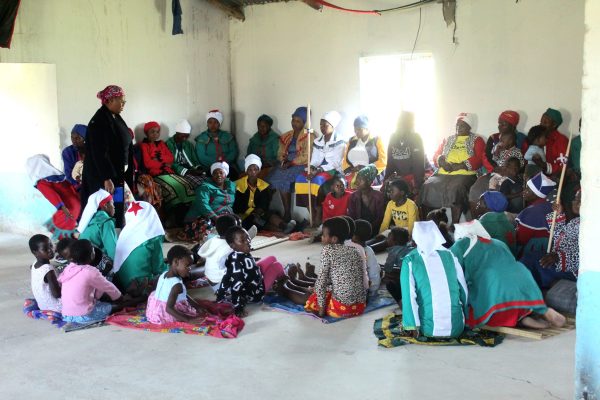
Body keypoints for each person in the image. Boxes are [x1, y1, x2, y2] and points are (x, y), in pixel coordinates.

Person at [451, 221, 566, 329]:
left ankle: (516, 319)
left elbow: (450, 270)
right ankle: (527, 315)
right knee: (516, 296)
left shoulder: (460, 245)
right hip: (521, 275)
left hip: (492, 280)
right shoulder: (498, 243)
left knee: (473, 305)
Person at [420, 113, 492, 224]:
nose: (458, 127)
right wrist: (441, 161)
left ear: (469, 126)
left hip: (465, 173)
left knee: (457, 188)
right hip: (443, 172)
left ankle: (454, 224)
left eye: (462, 125)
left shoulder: (477, 140)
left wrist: (461, 165)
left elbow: (479, 159)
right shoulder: (448, 139)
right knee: (427, 186)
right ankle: (429, 222)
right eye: (457, 125)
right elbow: (436, 154)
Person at [400, 221, 468, 338]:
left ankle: (413, 325)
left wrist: (412, 326)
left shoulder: (410, 260)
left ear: (415, 238)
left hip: (429, 329)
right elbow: (463, 289)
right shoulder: (450, 255)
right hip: (457, 327)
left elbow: (409, 297)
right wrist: (465, 313)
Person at [82, 85, 133, 228]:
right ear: (110, 100)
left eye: (124, 101)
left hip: (117, 175)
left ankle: (116, 231)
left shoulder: (114, 116)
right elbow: (99, 152)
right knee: (106, 208)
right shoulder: (99, 121)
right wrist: (106, 178)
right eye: (121, 101)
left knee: (117, 205)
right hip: (104, 178)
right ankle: (103, 236)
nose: (123, 104)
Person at [304, 217, 367, 318]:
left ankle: (288, 288)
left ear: (334, 239)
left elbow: (321, 283)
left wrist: (321, 311)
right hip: (360, 307)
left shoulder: (328, 250)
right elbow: (343, 279)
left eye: (324, 235)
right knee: (325, 288)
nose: (321, 237)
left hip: (342, 309)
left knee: (312, 298)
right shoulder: (355, 250)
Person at [295, 111, 346, 226]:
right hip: (319, 168)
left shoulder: (340, 141)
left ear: (332, 126)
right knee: (300, 179)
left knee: (317, 180)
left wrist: (318, 170)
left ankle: (319, 212)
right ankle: (311, 212)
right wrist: (312, 168)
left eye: (325, 125)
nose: (322, 128)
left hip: (333, 170)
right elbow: (315, 159)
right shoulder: (318, 141)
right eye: (321, 125)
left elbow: (335, 162)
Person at [140, 120, 200, 217]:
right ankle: (177, 215)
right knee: (173, 189)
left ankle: (186, 213)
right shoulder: (144, 145)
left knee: (186, 185)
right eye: (152, 132)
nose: (155, 134)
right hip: (156, 173)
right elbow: (148, 163)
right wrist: (163, 164)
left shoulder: (161, 143)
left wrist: (157, 159)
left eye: (157, 131)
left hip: (169, 172)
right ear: (147, 133)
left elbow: (171, 158)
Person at [58, 239, 124, 323]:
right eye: (93, 249)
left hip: (66, 315)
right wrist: (120, 297)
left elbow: (98, 290)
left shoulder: (68, 269)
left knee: (100, 300)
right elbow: (109, 287)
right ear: (92, 255)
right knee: (116, 306)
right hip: (84, 316)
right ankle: (138, 299)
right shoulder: (91, 271)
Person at [267, 106, 312, 222]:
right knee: (270, 178)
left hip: (300, 164)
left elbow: (307, 156)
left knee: (283, 178)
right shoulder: (286, 135)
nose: (294, 123)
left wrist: (291, 162)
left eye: (298, 121)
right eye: (293, 120)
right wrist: (283, 160)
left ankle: (287, 213)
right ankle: (266, 211)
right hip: (287, 163)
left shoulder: (309, 135)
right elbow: (280, 152)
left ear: (304, 122)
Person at [113, 201, 167, 294]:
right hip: (141, 285)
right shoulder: (153, 236)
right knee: (174, 274)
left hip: (122, 282)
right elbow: (158, 268)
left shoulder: (124, 233)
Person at [146, 246, 210, 323]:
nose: (190, 269)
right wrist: (188, 319)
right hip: (165, 314)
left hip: (154, 310)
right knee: (198, 317)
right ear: (176, 262)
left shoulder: (164, 274)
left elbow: (183, 295)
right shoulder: (177, 285)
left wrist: (197, 306)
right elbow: (168, 308)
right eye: (187, 265)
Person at [234, 154, 296, 233]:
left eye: (255, 169)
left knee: (269, 215)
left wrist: (260, 210)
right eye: (250, 170)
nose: (253, 172)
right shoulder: (238, 185)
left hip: (258, 213)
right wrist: (252, 212)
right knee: (257, 221)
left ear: (259, 170)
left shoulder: (263, 185)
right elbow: (237, 205)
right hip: (243, 215)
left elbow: (264, 202)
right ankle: (281, 230)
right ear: (246, 171)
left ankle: (284, 226)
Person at [26, 154, 81, 240]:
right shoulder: (59, 176)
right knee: (69, 230)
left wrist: (62, 207)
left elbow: (52, 195)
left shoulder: (42, 182)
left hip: (68, 208)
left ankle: (65, 246)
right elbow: (71, 188)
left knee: (61, 231)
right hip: (76, 204)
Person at [216, 226, 266, 317]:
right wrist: (238, 307)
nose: (247, 241)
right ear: (232, 246)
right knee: (276, 266)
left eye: (248, 237)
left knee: (272, 260)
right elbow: (236, 286)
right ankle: (282, 282)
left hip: (253, 285)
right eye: (242, 240)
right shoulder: (237, 265)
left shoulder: (239, 254)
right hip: (252, 295)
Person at [182, 161, 236, 242]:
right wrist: (216, 218)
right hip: (201, 217)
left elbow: (229, 204)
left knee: (235, 221)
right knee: (207, 225)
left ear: (225, 175)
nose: (218, 175)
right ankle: (212, 239)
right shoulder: (205, 187)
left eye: (221, 173)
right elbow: (202, 205)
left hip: (220, 216)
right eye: (215, 173)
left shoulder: (231, 186)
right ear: (212, 175)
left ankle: (237, 236)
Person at [539, 189, 581, 284]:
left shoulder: (593, 226)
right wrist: (558, 215)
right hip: (559, 260)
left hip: (574, 271)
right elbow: (559, 237)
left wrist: (559, 257)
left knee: (534, 263)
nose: (573, 201)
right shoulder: (577, 221)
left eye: (577, 199)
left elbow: (588, 255)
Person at [383, 111, 425, 197]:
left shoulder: (416, 138)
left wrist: (417, 185)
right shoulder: (393, 137)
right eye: (399, 122)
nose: (400, 125)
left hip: (413, 177)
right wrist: (385, 180)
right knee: (386, 193)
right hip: (400, 177)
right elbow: (390, 162)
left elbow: (418, 164)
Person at [342, 115, 387, 189]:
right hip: (354, 174)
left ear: (367, 128)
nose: (356, 132)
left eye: (359, 129)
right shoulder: (352, 141)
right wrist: (350, 170)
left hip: (372, 174)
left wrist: (366, 169)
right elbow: (345, 161)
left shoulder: (376, 139)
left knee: (364, 184)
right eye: (355, 129)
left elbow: (382, 161)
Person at [515, 172, 556, 247]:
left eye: (528, 189)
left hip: (532, 249)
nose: (524, 191)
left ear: (536, 194)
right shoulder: (549, 205)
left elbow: (521, 239)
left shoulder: (531, 212)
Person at [195, 110, 239, 177]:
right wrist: (216, 165)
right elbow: (202, 156)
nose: (213, 125)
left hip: (227, 166)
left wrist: (223, 164)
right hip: (208, 168)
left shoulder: (228, 136)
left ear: (219, 123)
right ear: (207, 124)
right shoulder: (201, 138)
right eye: (210, 122)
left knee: (234, 176)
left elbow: (233, 152)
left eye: (216, 122)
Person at [77, 189, 117, 262]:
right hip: (93, 262)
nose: (114, 207)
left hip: (81, 259)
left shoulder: (90, 219)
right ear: (105, 205)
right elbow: (113, 250)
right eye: (112, 204)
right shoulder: (106, 222)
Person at [348, 165, 386, 233]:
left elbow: (380, 218)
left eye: (360, 180)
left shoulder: (379, 197)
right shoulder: (353, 197)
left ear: (369, 182)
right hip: (357, 230)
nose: (356, 182)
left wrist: (368, 230)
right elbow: (351, 216)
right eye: (357, 179)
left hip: (375, 230)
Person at [477, 191, 517, 255]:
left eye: (479, 202)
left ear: (488, 206)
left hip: (496, 257)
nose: (477, 204)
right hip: (511, 256)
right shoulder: (506, 218)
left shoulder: (485, 221)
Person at [29, 234, 62, 312]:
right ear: (35, 252)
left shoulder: (34, 264)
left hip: (42, 306)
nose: (50, 250)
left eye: (51, 246)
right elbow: (57, 294)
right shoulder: (48, 270)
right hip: (56, 308)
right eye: (45, 249)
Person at [381, 227, 412, 304]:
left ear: (394, 241)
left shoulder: (393, 251)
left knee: (389, 282)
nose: (387, 240)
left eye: (388, 238)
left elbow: (387, 269)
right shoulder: (410, 247)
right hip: (415, 271)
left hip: (408, 277)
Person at [353, 219, 380, 298]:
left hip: (359, 291)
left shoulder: (352, 250)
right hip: (370, 288)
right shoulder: (369, 250)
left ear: (355, 238)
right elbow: (374, 271)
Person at [539, 108, 569, 176]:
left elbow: (562, 165)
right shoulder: (537, 136)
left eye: (545, 123)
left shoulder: (561, 140)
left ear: (554, 125)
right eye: (541, 122)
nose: (541, 125)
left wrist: (545, 167)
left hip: (553, 177)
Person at [61, 124, 87, 188]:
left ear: (85, 139)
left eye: (78, 138)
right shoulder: (68, 152)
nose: (74, 141)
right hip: (77, 186)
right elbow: (69, 174)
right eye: (72, 137)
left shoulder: (93, 151)